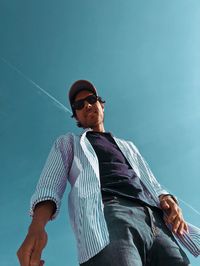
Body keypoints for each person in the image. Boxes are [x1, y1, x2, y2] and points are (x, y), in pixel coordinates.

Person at [17, 80, 200, 266]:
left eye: (91, 99)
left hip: (158, 223)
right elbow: (50, 184)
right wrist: (37, 227)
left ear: (101, 105)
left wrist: (168, 198)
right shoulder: (68, 143)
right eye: (79, 105)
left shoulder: (128, 146)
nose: (87, 105)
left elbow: (151, 182)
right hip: (110, 216)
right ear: (76, 117)